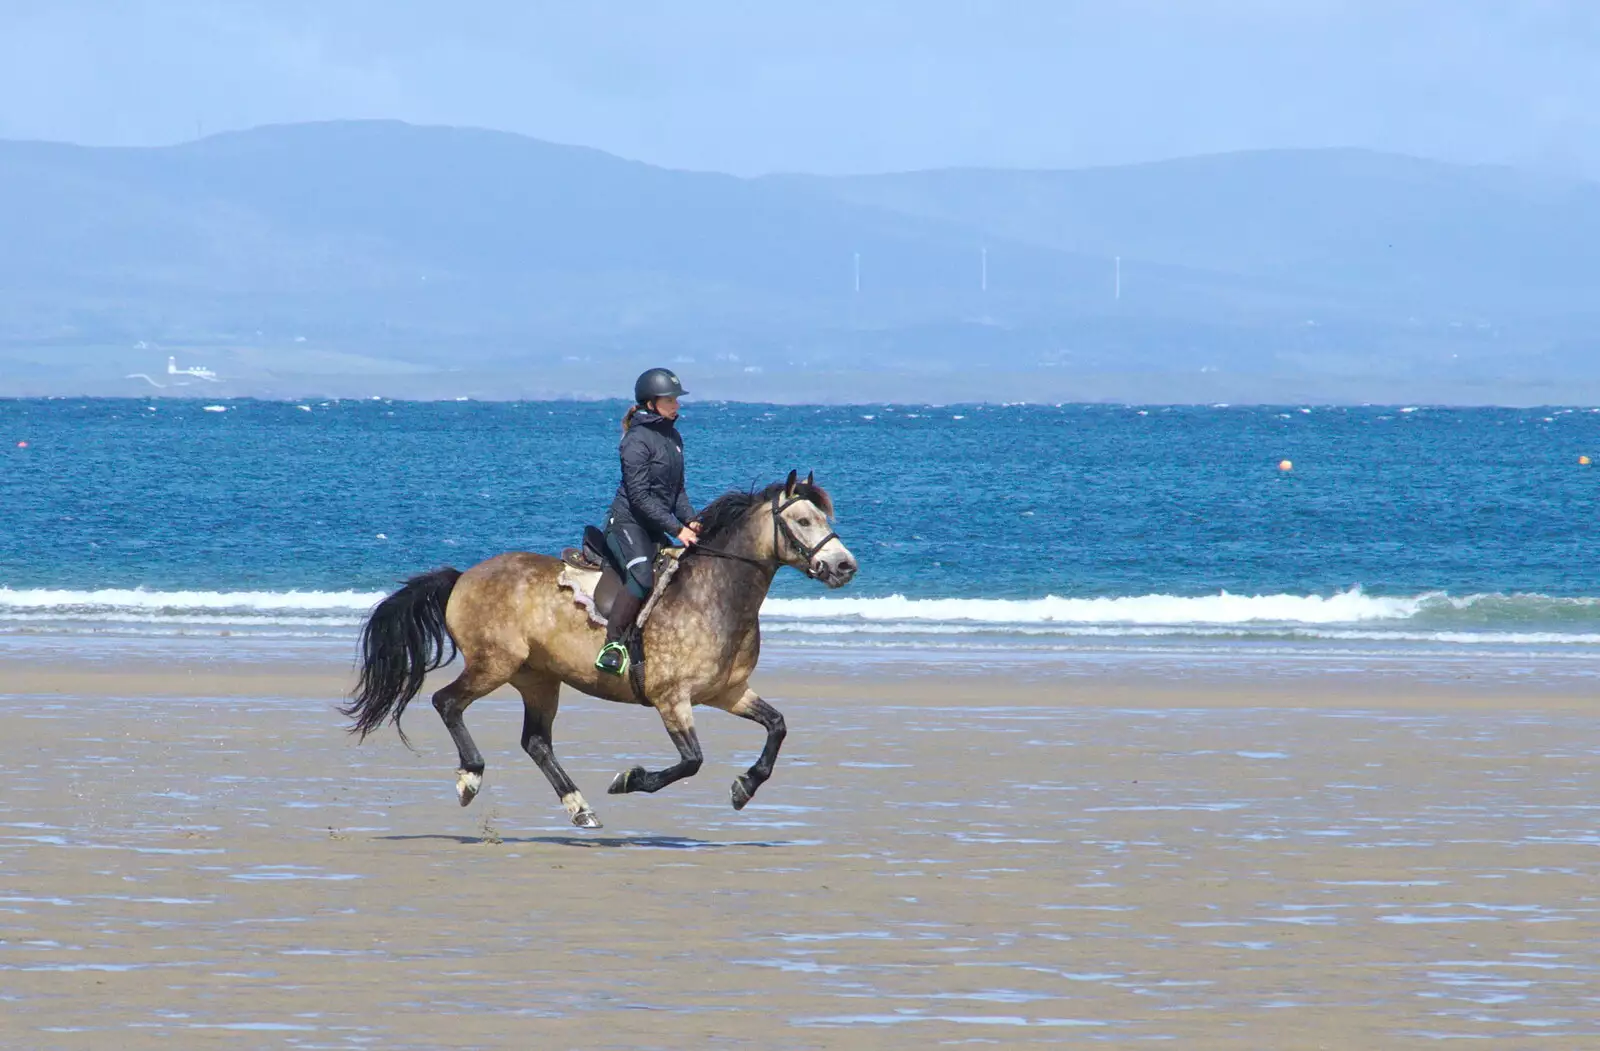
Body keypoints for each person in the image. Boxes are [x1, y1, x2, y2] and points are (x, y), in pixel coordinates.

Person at [594, 367, 701, 675]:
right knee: (641, 574)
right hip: (627, 523)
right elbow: (640, 498)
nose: (677, 405)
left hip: (655, 524)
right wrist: (676, 529)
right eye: (671, 400)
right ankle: (612, 646)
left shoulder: (673, 437)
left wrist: (691, 520)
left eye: (676, 400)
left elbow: (676, 490)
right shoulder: (635, 441)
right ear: (651, 402)